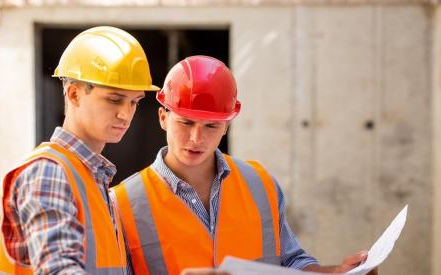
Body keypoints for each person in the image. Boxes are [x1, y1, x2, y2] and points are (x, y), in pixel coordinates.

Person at [113, 55, 378, 275]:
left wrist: (336, 272)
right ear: (163, 117)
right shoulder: (124, 203)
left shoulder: (258, 183)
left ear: (226, 125)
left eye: (211, 126)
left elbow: (290, 261)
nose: (196, 138)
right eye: (186, 123)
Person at [0, 26, 159, 275]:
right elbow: (59, 270)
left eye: (134, 101)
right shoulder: (49, 172)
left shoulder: (94, 181)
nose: (126, 114)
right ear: (74, 94)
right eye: (114, 99)